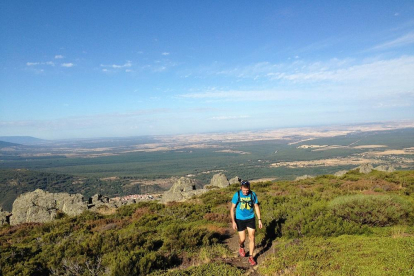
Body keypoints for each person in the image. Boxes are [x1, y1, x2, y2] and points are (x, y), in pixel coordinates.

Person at [230, 179, 262, 266]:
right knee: (242, 239)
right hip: (240, 219)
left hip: (250, 218)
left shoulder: (252, 194)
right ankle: (241, 246)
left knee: (252, 237)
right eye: (244, 190)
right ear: (241, 188)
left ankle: (251, 257)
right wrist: (233, 222)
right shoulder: (237, 195)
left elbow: (256, 206)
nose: (245, 192)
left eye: (247, 190)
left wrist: (259, 220)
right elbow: (232, 208)